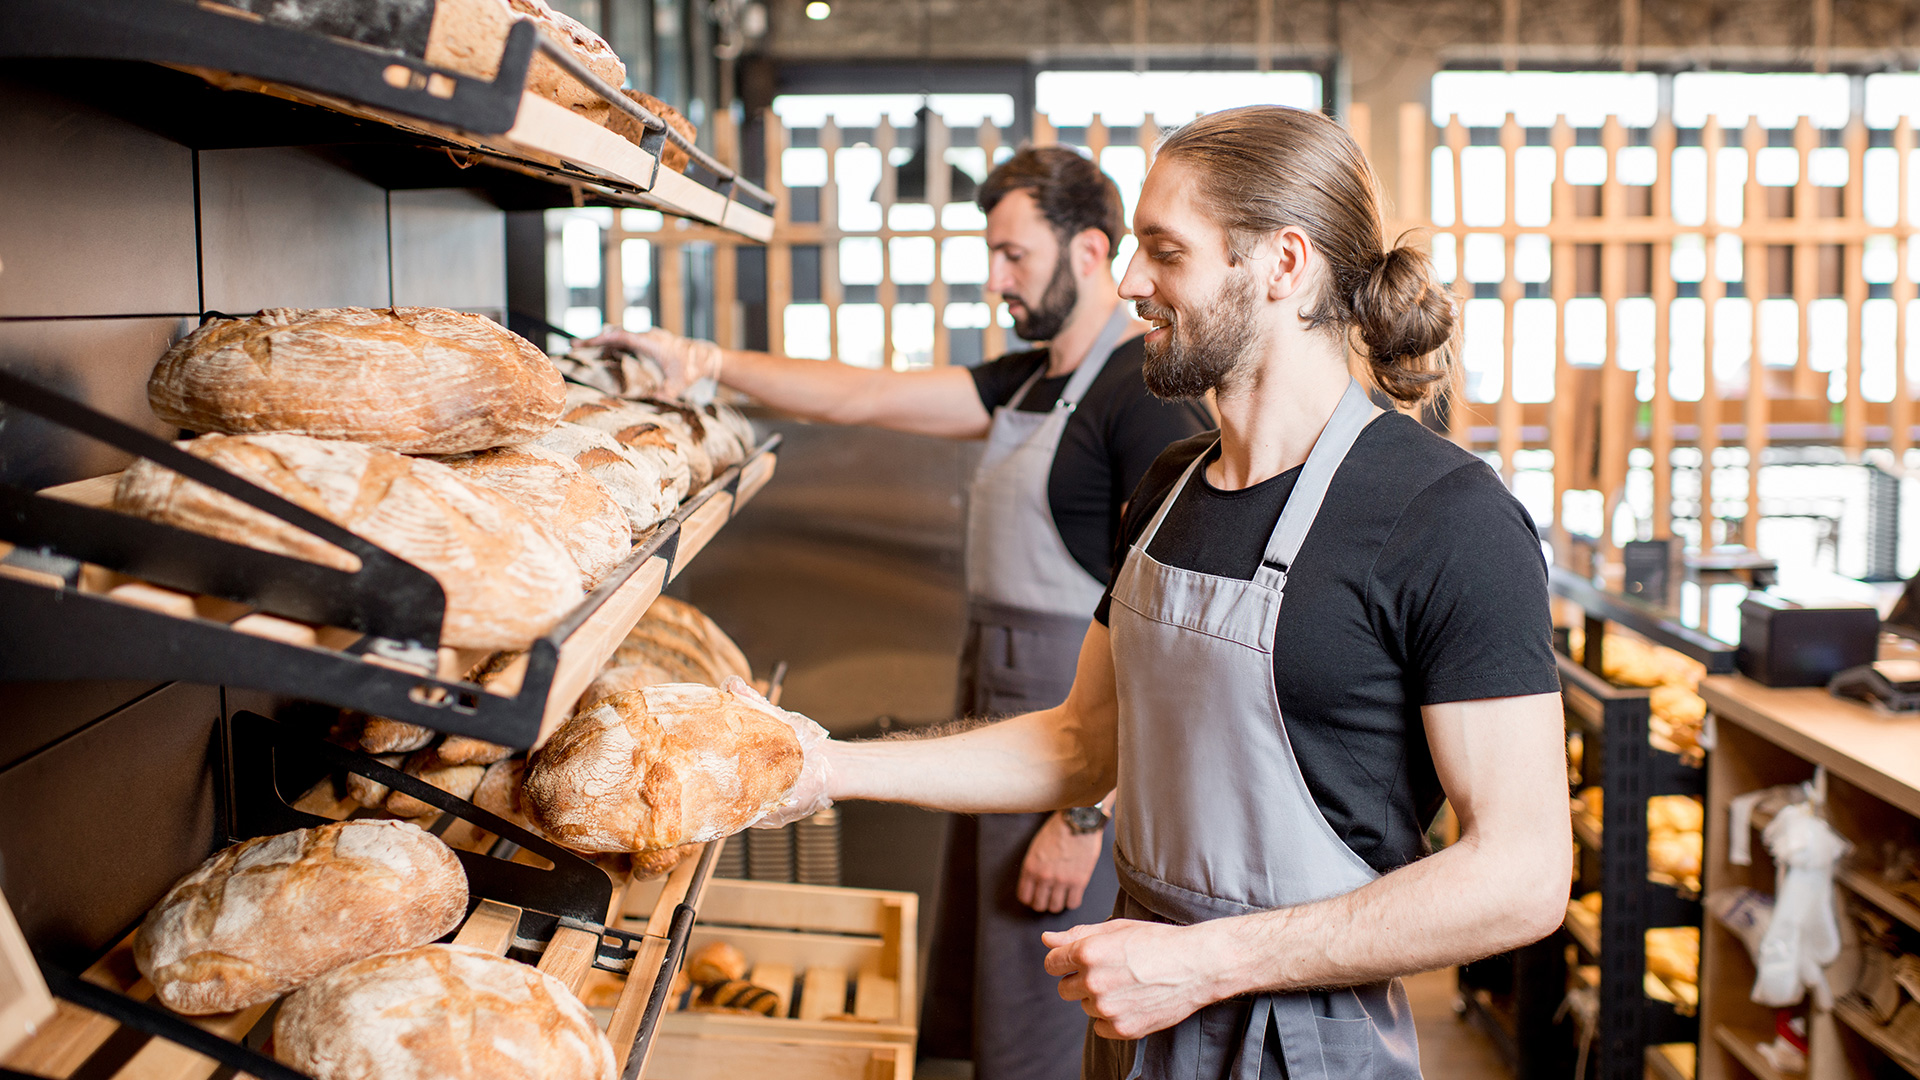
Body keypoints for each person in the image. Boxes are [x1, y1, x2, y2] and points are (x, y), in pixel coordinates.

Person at [750, 105, 1573, 1078]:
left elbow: (1523, 877)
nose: (1132, 282)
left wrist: (1207, 963)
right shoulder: (1172, 486)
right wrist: (824, 768)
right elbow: (1078, 744)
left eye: (1164, 252)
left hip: (1300, 1047)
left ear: (1283, 264)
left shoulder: (1447, 517)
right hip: (1137, 1019)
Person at [590, 147, 1211, 1080]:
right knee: (995, 1001)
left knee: (1049, 1013)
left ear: (1088, 252)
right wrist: (704, 362)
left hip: (1074, 748)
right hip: (1001, 722)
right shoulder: (1032, 380)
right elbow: (866, 395)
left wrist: (1086, 819)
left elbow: (1176, 644)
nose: (996, 278)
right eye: (991, 253)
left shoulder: (1142, 403)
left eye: (1014, 255)